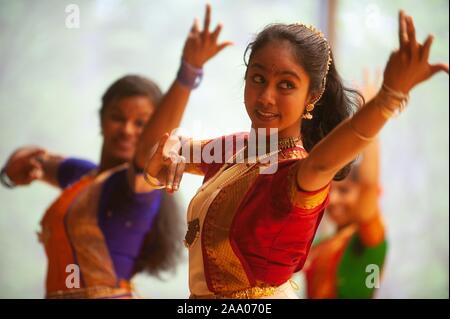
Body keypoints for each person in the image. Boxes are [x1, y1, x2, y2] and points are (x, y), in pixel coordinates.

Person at [144, 9, 448, 299]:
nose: (266, 97)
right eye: (258, 78)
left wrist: (388, 97)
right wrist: (167, 151)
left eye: (286, 85)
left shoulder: (297, 170)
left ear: (311, 96)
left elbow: (327, 160)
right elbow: (165, 149)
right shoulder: (239, 148)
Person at [0, 4, 231, 298]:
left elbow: (148, 150)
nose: (127, 130)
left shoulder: (137, 189)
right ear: (102, 119)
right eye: (118, 118)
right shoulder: (83, 175)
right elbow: (31, 161)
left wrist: (189, 71)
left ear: (154, 130)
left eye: (140, 123)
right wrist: (11, 169)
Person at [303, 135, 387, 298]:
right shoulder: (321, 244)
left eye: (344, 190)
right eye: (329, 191)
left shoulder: (370, 236)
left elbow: (369, 184)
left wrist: (373, 119)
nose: (332, 200)